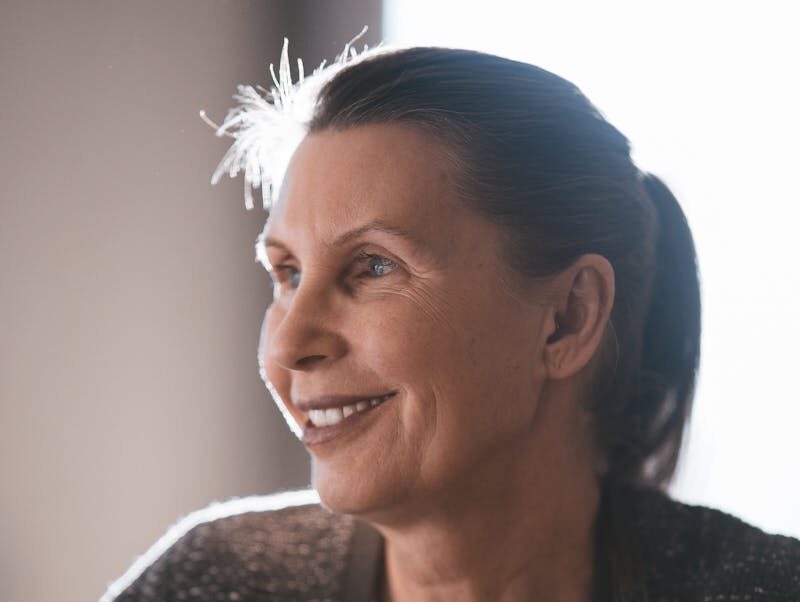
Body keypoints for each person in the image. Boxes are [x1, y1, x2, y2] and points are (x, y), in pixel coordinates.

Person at [102, 42, 800, 602]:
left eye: (373, 267)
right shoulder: (217, 582)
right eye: (286, 274)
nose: (287, 344)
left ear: (566, 318)